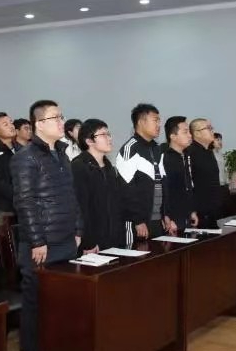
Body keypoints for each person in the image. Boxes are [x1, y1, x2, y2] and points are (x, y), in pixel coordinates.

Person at [11, 100, 82, 351]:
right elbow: (25, 202)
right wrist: (37, 240)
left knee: (60, 303)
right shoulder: (25, 157)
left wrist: (78, 229)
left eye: (61, 116)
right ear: (39, 124)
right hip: (40, 246)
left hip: (66, 240)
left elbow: (72, 195)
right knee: (35, 306)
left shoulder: (62, 154)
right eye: (55, 118)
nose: (61, 122)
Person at [71, 119, 128, 253]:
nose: (109, 138)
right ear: (89, 141)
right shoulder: (79, 166)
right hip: (94, 242)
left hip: (115, 238)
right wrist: (88, 242)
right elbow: (80, 208)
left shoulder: (109, 167)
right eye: (103, 135)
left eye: (109, 134)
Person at [116, 104, 169, 241]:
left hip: (157, 221)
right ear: (141, 122)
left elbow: (163, 183)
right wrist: (138, 220)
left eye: (159, 121)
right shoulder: (129, 149)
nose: (159, 125)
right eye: (155, 120)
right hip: (137, 223)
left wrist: (165, 214)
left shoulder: (157, 149)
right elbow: (125, 189)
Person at [162, 116, 197, 233]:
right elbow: (165, 190)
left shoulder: (186, 155)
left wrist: (192, 211)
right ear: (173, 136)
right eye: (185, 132)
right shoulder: (165, 158)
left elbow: (188, 186)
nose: (190, 136)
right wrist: (168, 217)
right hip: (173, 220)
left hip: (187, 215)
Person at [186, 119, 223, 228]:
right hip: (200, 211)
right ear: (197, 133)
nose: (212, 131)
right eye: (208, 128)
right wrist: (192, 210)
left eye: (212, 128)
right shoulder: (190, 152)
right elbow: (189, 183)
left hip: (213, 208)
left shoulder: (209, 151)